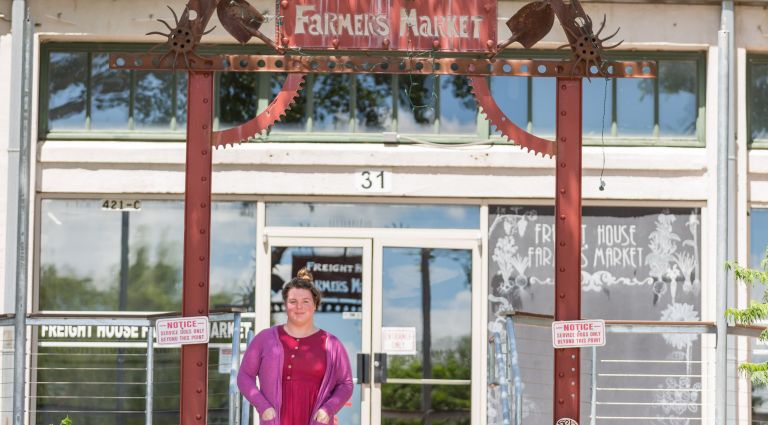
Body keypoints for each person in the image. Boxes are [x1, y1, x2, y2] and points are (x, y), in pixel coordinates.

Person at [238, 268, 353, 425]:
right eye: (293, 301)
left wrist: (328, 409)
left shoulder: (332, 344)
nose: (299, 307)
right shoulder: (265, 339)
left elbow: (345, 384)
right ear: (285, 305)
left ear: (315, 305)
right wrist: (263, 407)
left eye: (306, 301)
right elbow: (244, 376)